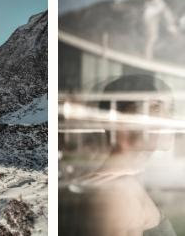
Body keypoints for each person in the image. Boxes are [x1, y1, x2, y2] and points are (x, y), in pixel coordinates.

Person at [62, 73, 178, 235]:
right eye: (156, 107)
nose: (169, 119)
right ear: (121, 120)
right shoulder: (116, 196)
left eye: (170, 110)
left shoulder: (124, 184)